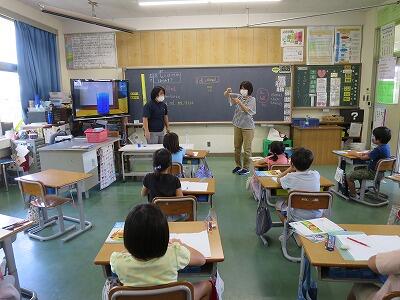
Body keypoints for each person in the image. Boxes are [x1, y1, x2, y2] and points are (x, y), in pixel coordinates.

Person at [110, 204, 212, 300]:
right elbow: (201, 260)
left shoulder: (117, 261)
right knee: (207, 285)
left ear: (127, 239)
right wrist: (180, 244)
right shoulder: (175, 253)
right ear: (164, 237)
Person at [346, 126, 391, 200]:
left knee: (349, 176)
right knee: (358, 168)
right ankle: (362, 188)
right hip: (380, 173)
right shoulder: (385, 147)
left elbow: (363, 158)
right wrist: (366, 153)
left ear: (379, 139)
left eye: (374, 136)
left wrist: (354, 153)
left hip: (373, 173)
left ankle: (353, 195)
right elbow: (371, 153)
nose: (372, 137)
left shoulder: (378, 150)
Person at [276, 147, 321, 221]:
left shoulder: (290, 177)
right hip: (316, 215)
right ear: (310, 163)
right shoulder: (316, 175)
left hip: (296, 216)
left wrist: (290, 169)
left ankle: (287, 226)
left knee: (278, 204)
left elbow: (278, 179)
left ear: (292, 163)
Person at [223, 81, 256, 176]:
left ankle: (246, 168)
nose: (242, 90)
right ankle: (238, 165)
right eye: (241, 88)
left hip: (248, 127)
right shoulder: (239, 96)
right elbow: (226, 95)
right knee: (237, 148)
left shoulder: (252, 99)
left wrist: (240, 103)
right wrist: (228, 91)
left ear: (249, 90)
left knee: (247, 149)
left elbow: (247, 110)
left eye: (245, 88)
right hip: (237, 125)